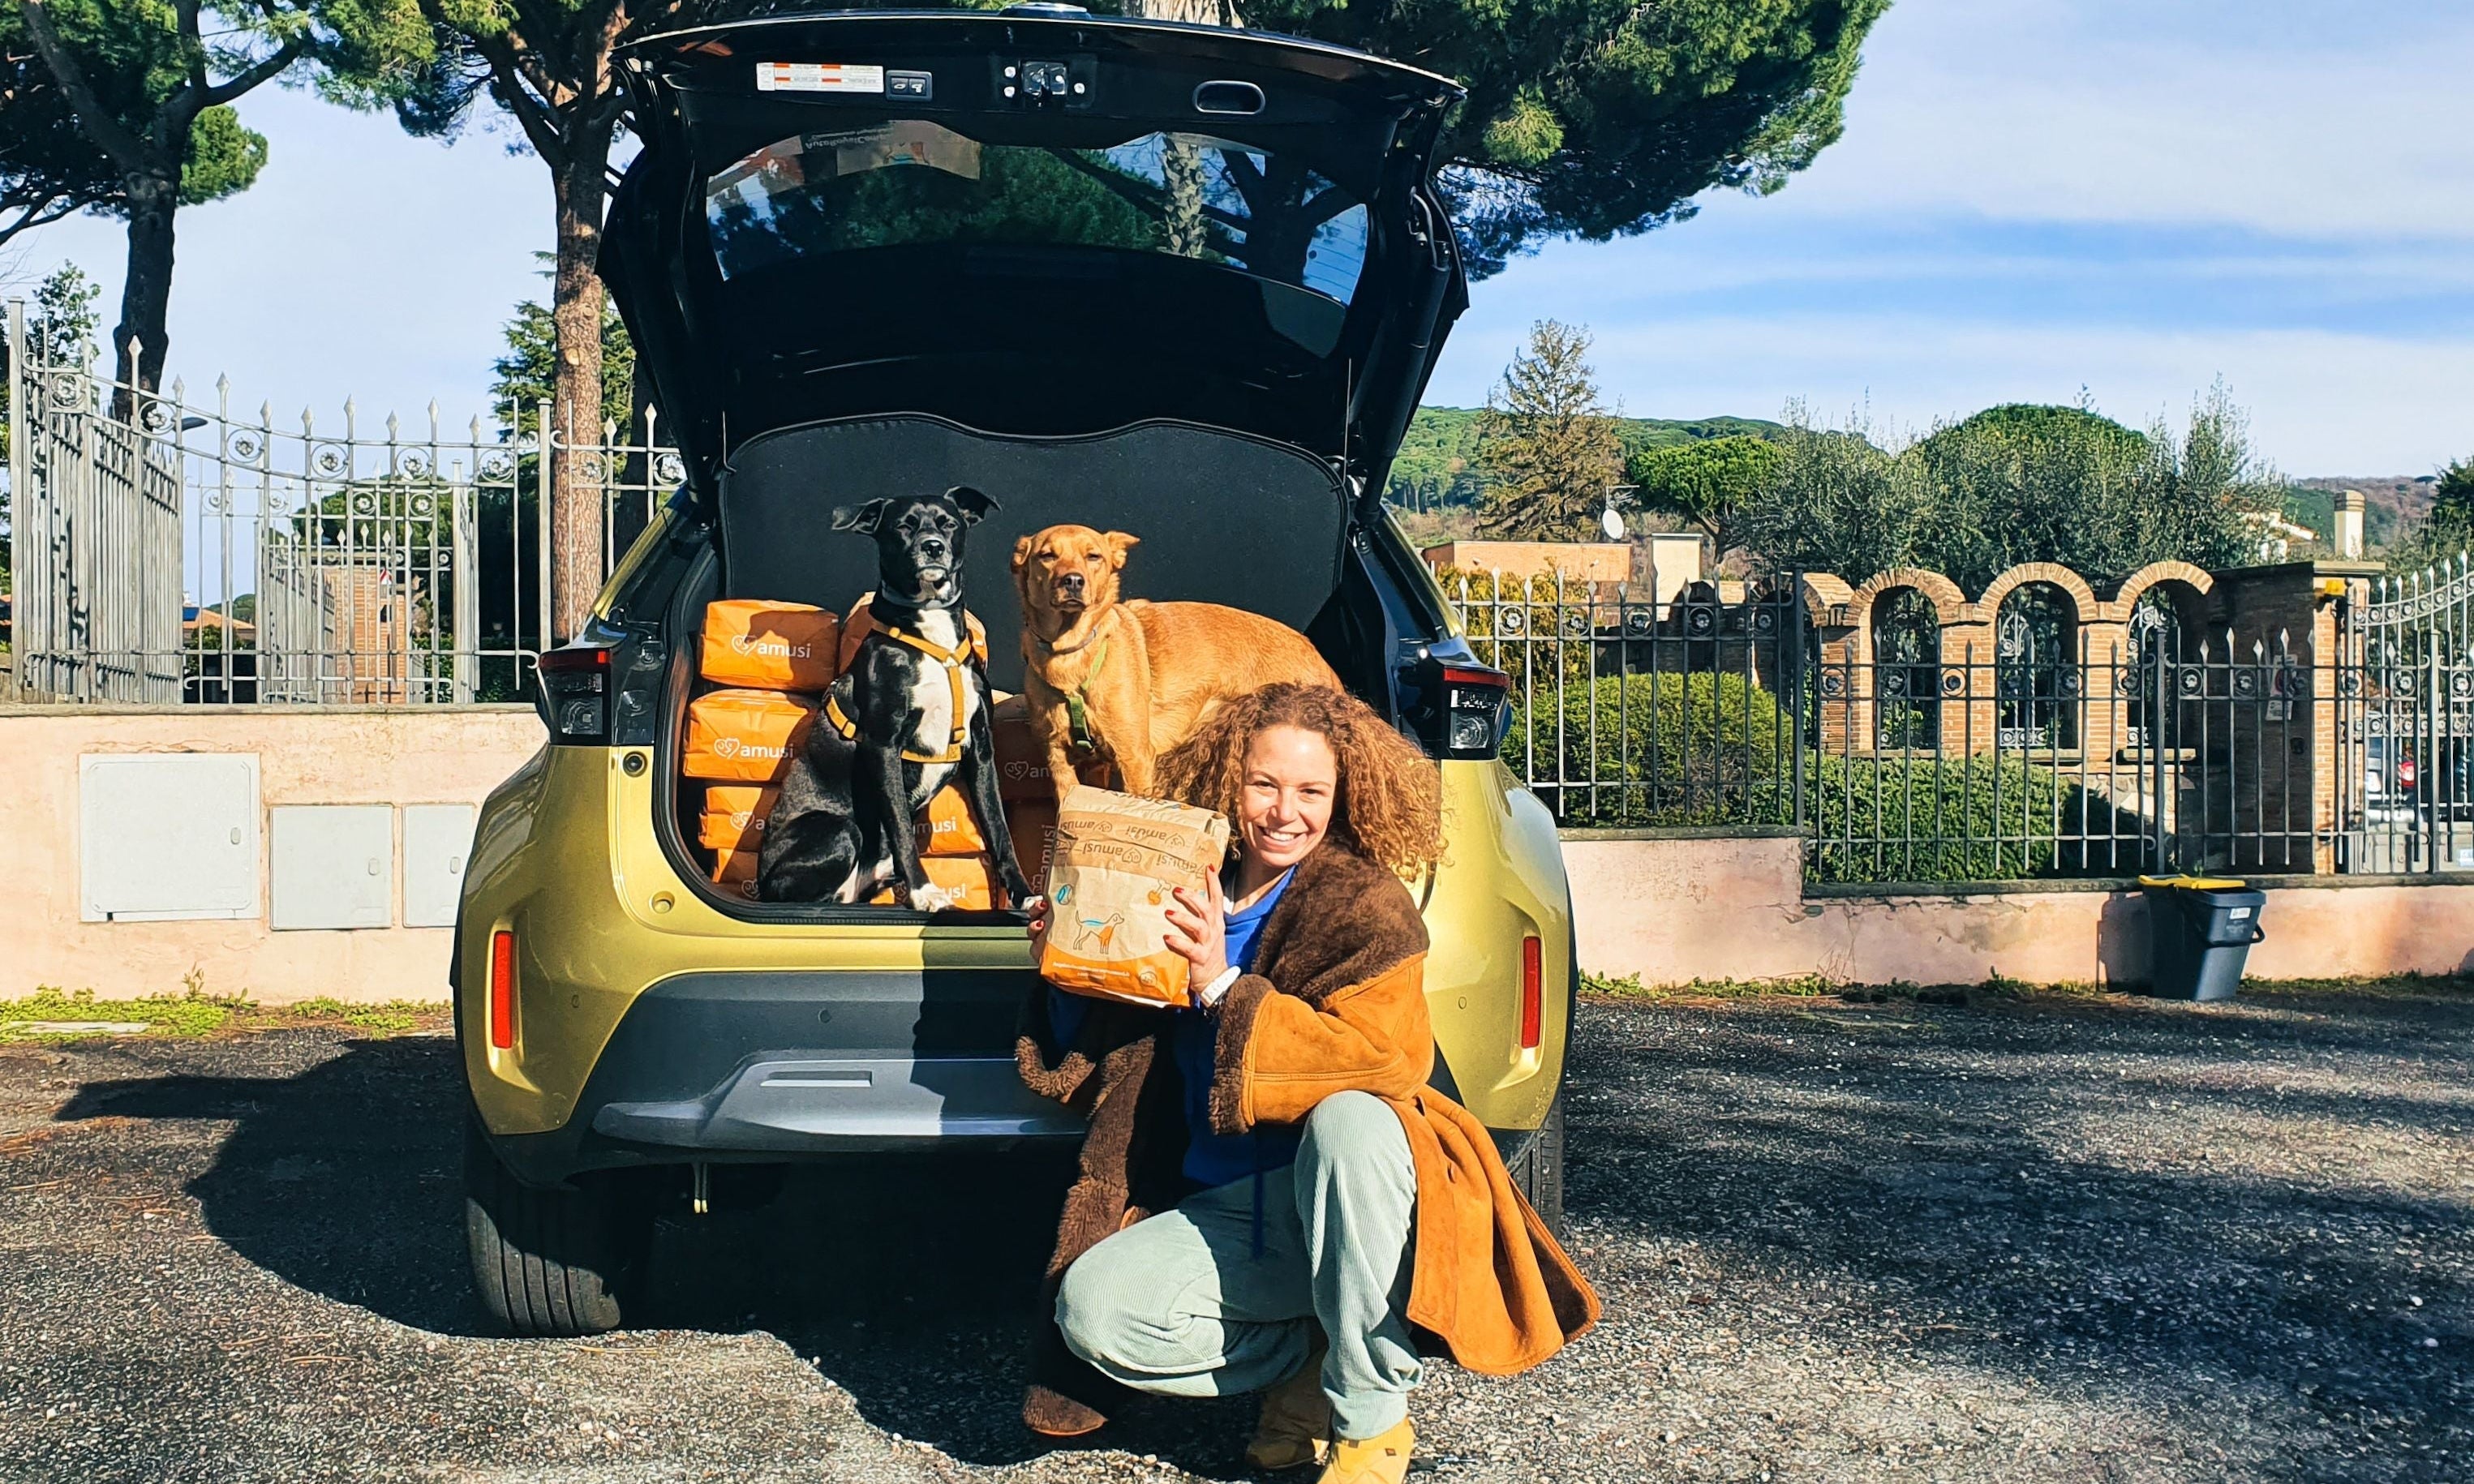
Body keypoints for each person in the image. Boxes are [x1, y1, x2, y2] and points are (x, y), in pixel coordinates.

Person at [1016, 682, 1598, 1484]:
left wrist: (1222, 985)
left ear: (1340, 796)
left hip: (1352, 1203)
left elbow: (1385, 1063)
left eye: (1309, 791)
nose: (1283, 811)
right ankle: (1312, 1352)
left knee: (1351, 1122)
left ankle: (1369, 1424)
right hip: (1227, 1210)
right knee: (1095, 1312)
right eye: (1264, 784)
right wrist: (1069, 964)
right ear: (1230, 781)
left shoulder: (1363, 905)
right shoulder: (1179, 887)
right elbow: (1104, 1057)